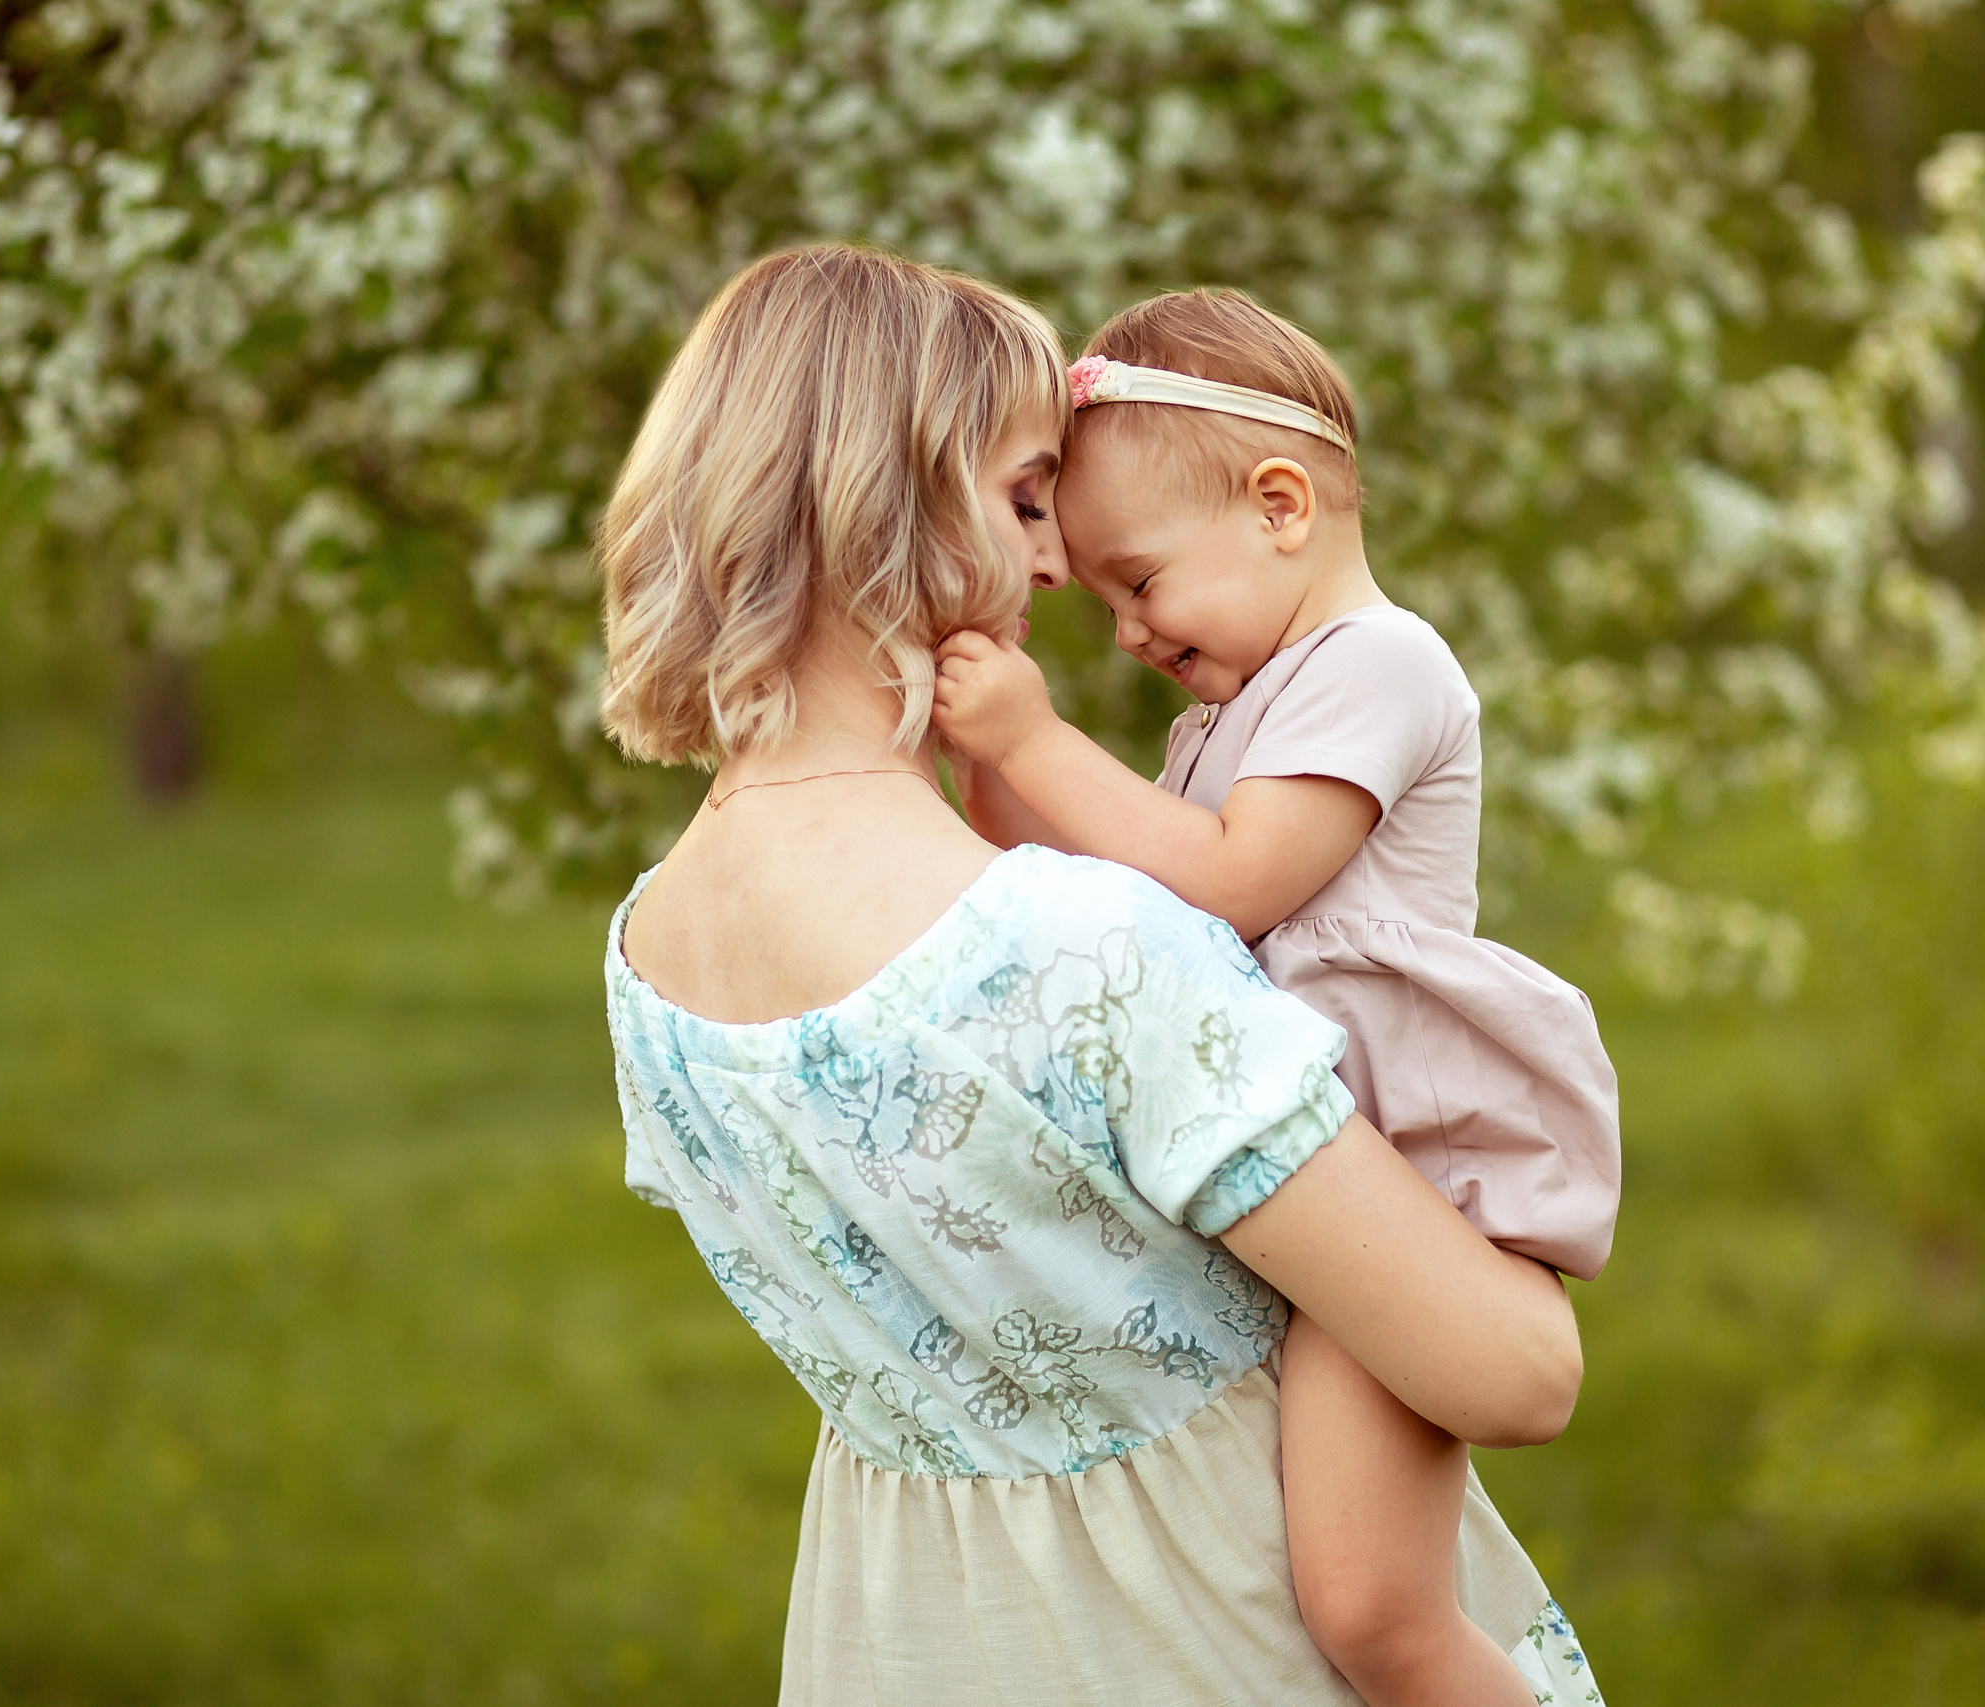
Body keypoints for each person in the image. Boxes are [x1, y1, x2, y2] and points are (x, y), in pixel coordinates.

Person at [598, 245, 1602, 1705]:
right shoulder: (1081, 954)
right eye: (1022, 500)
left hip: (923, 1643)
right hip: (1209, 1634)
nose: (1057, 563)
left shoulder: (646, 953)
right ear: (883, 500)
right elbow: (1518, 1375)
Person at [930, 288, 1621, 1707]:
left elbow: (1232, 887)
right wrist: (991, 767)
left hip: (1412, 1174)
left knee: (1374, 1613)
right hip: (1306, 1158)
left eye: (1141, 580)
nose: (1125, 627)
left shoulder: (1381, 664)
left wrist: (1039, 738)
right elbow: (1092, 895)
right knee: (1314, 1594)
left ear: (1283, 505)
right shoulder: (1224, 719)